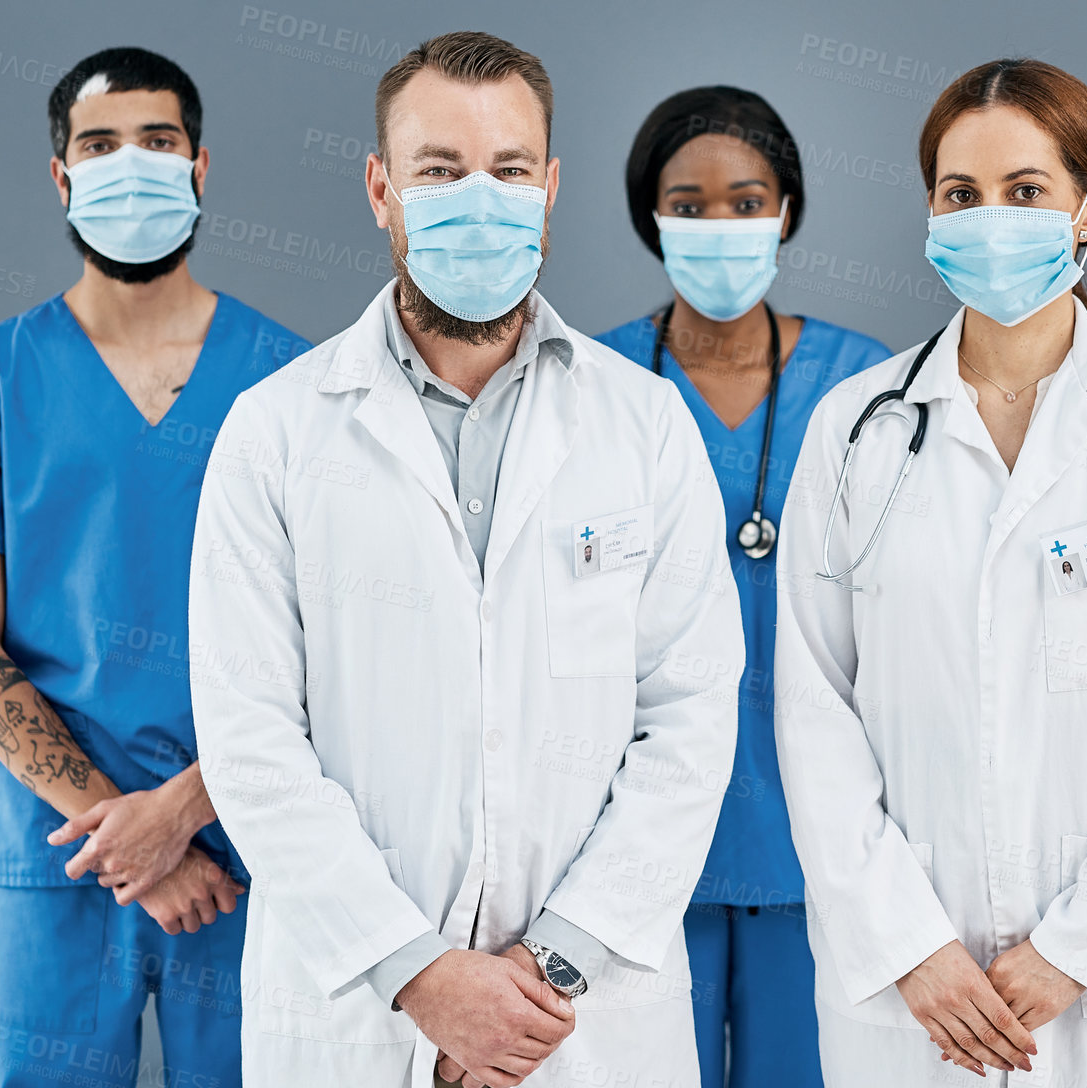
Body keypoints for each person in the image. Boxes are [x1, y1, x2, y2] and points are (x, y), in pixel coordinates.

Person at [187, 32, 742, 1088]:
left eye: (510, 169)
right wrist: (423, 976)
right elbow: (253, 738)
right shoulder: (278, 432)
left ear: (552, 189)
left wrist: (549, 968)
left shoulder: (645, 425)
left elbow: (690, 717)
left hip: (586, 1017)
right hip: (361, 1014)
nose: (476, 198)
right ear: (381, 187)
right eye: (440, 170)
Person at [771, 58, 1087, 1085]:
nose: (989, 219)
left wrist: (1078, 947)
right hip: (913, 994)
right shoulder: (854, 429)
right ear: (930, 210)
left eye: (1025, 191)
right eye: (962, 195)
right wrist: (910, 944)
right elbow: (813, 709)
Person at [0, 47, 308, 1088]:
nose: (132, 164)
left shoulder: (294, 385)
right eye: (100, 145)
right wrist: (128, 836)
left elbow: (333, 644)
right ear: (61, 178)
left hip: (253, 845)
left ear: (201, 167)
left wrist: (183, 812)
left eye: (157, 142)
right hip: (56, 860)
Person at [592, 85, 892, 1088]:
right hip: (628, 839)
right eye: (688, 204)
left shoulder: (865, 391)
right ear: (651, 219)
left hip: (817, 836)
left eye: (746, 199)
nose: (720, 225)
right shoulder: (594, 387)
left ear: (788, 211)